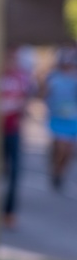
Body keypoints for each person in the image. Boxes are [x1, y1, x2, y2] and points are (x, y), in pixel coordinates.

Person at [0, 47, 34, 228]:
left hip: (13, 130)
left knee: (15, 172)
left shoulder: (22, 78)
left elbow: (27, 100)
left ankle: (8, 211)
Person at [41, 45, 77, 192]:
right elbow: (44, 94)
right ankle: (55, 170)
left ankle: (60, 171)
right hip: (57, 117)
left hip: (72, 118)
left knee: (69, 151)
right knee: (61, 148)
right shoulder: (53, 77)